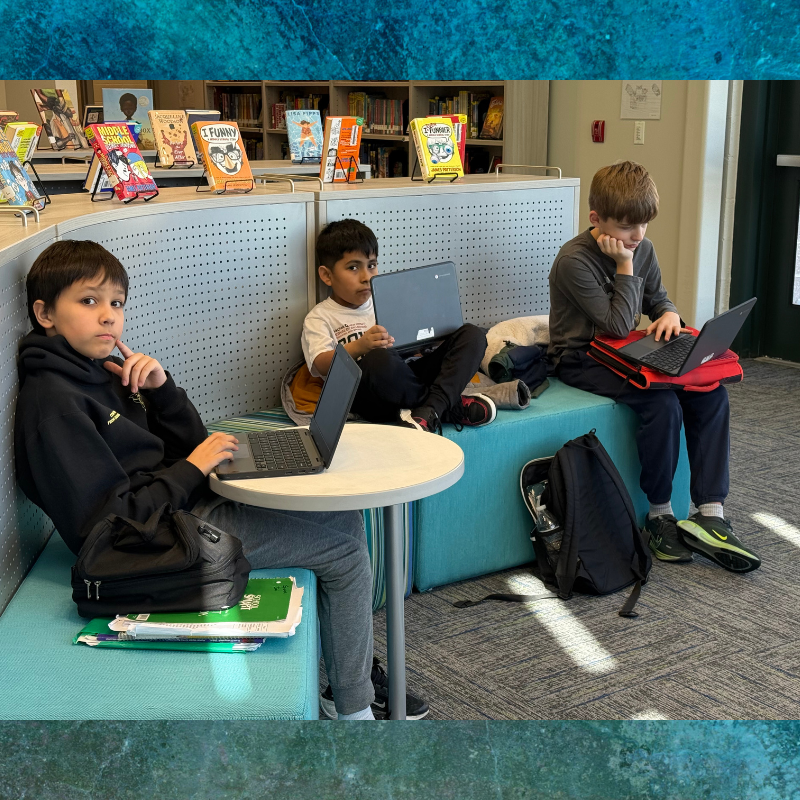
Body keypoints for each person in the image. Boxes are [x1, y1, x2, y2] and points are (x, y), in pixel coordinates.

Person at [14, 239, 429, 720]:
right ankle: (355, 714)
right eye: (89, 301)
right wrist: (192, 468)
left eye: (116, 303)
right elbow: (107, 524)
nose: (109, 316)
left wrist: (162, 391)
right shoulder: (55, 404)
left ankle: (345, 685)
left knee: (343, 516)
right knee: (345, 552)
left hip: (180, 510)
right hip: (156, 542)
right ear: (45, 313)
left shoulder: (97, 369)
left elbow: (185, 443)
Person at [548, 161, 761, 573]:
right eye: (628, 228)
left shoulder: (642, 247)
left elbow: (658, 299)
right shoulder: (574, 260)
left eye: (644, 225)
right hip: (579, 357)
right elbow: (618, 323)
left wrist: (669, 314)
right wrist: (625, 267)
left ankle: (710, 513)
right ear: (596, 219)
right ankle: (659, 515)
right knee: (661, 405)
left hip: (627, 352)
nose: (638, 236)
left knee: (711, 395)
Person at [302, 218, 494, 433]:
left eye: (372, 265)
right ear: (327, 275)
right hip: (368, 394)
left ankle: (430, 410)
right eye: (353, 267)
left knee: (472, 334)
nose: (366, 277)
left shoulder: (388, 300)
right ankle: (445, 407)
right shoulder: (320, 317)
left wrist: (428, 338)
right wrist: (360, 346)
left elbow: (416, 350)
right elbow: (320, 364)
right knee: (378, 358)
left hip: (409, 374)